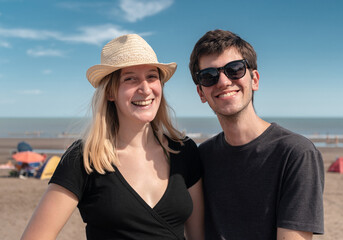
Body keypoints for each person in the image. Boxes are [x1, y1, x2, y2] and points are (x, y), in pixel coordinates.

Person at [21, 34, 204, 240]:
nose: (145, 89)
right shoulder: (85, 158)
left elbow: (199, 237)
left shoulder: (185, 151)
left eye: (152, 77)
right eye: (130, 78)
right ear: (110, 92)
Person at [189, 29, 324, 240]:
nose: (223, 82)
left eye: (234, 69)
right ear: (201, 93)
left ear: (255, 80)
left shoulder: (296, 154)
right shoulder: (201, 157)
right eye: (209, 76)